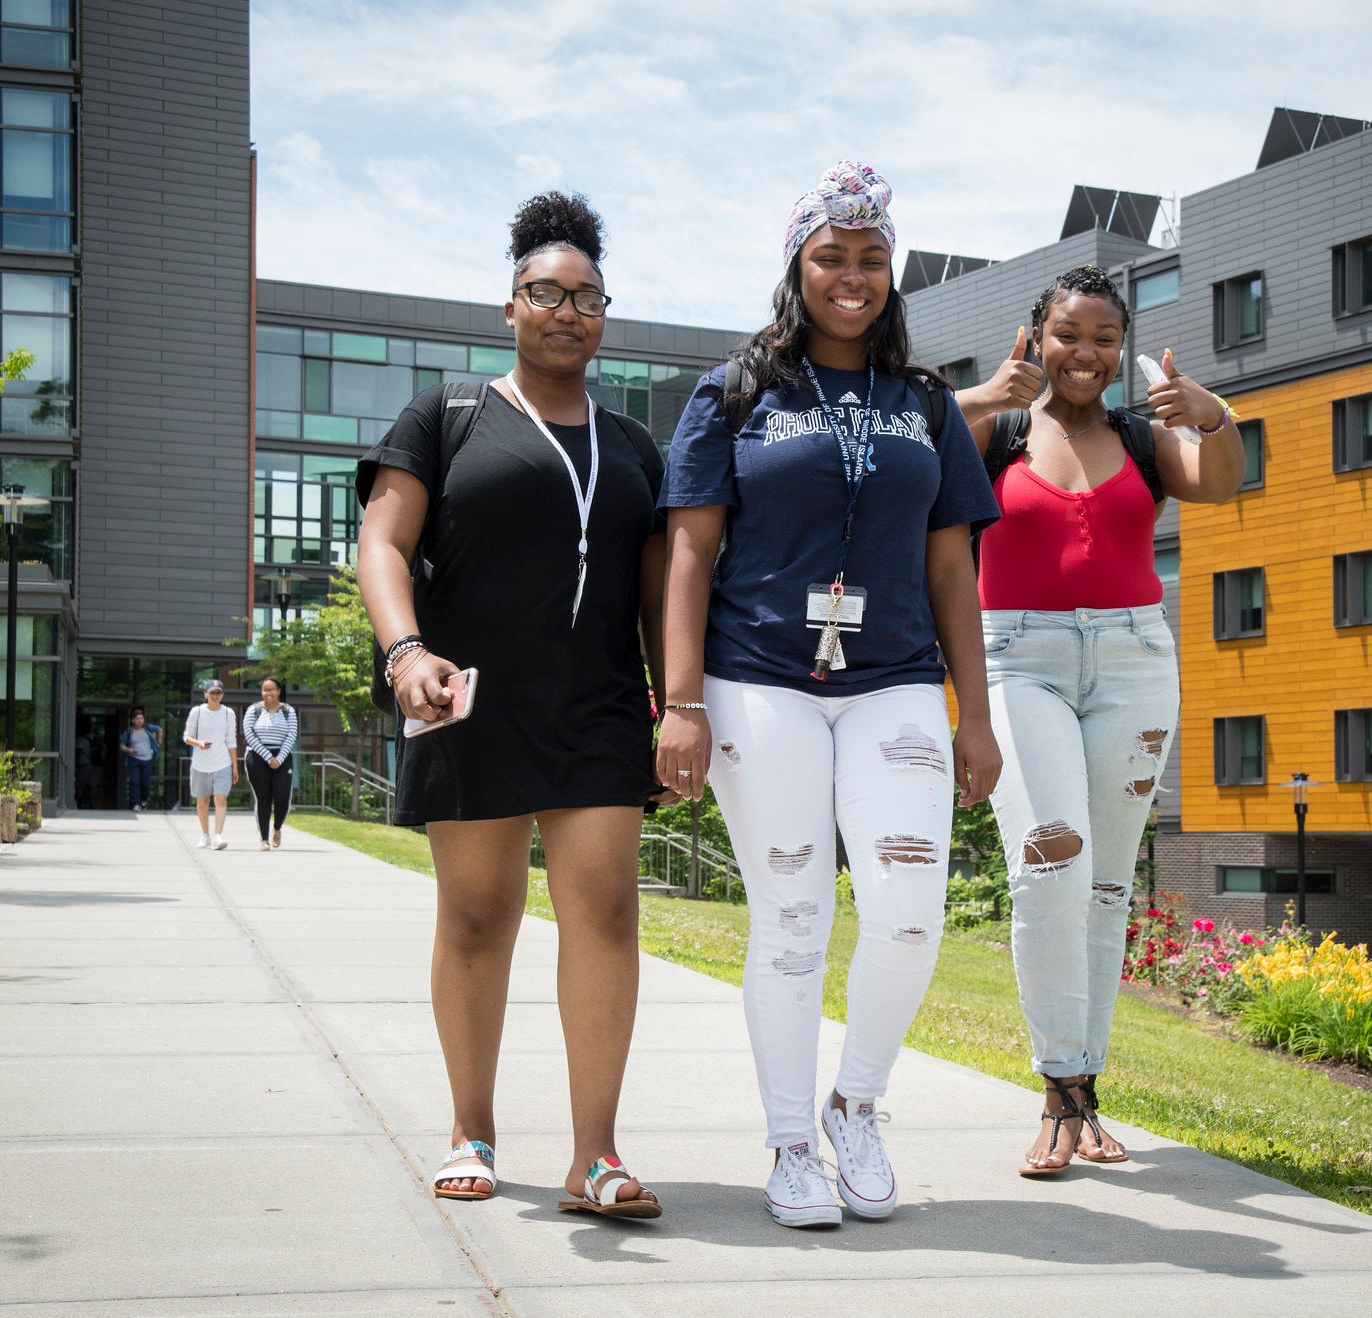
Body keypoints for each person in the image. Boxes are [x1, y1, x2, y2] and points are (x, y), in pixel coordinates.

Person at [655, 161, 1002, 1229]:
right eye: (829, 258)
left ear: (890, 274)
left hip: (895, 681)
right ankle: (789, 1142)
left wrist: (974, 716)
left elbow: (952, 569)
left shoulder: (927, 403)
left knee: (905, 913)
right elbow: (686, 553)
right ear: (795, 267)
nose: (851, 278)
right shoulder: (733, 393)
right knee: (794, 917)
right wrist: (677, 702)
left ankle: (856, 1105)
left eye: (870, 260)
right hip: (758, 678)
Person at [356, 191, 666, 1220]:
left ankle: (594, 1156)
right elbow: (383, 544)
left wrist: (681, 703)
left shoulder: (631, 444)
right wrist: (404, 650)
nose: (564, 310)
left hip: (600, 706)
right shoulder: (448, 415)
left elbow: (663, 588)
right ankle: (470, 1129)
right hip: (466, 697)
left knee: (606, 913)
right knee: (480, 915)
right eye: (544, 291)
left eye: (584, 296)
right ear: (509, 306)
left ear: (603, 313)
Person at [953, 265, 1242, 1177]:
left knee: (1109, 884)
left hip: (1133, 660)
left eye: (1103, 338)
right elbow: (927, 466)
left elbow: (1219, 482)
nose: (1085, 352)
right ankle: (1058, 1091)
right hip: (1016, 658)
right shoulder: (997, 430)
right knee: (1052, 862)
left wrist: (1213, 411)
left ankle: (1085, 1099)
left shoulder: (1144, 437)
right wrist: (987, 395)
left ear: (1123, 348)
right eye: (1068, 333)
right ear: (1037, 334)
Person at [243, 677, 299, 850]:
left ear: (279, 691)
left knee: (282, 798)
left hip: (282, 756)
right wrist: (268, 757)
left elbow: (292, 735)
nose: (268, 693)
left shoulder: (288, 711)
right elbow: (249, 734)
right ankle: (264, 839)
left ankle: (277, 828)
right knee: (263, 798)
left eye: (272, 689)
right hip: (258, 757)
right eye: (265, 690)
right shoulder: (254, 710)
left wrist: (279, 759)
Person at [183, 682, 238, 849]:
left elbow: (231, 740)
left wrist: (234, 765)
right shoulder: (197, 712)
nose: (215, 696)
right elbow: (186, 736)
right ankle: (205, 835)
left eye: (218, 693)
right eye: (212, 692)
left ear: (222, 695)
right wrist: (198, 743)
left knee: (221, 798)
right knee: (202, 802)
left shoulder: (229, 713)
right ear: (205, 693)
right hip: (200, 764)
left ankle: (218, 835)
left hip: (222, 763)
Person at [119, 707, 161, 812]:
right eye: (137, 719)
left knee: (145, 782)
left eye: (141, 718)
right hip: (134, 759)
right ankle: (136, 804)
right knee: (134, 782)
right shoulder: (129, 732)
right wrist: (129, 750)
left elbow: (159, 729)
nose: (139, 721)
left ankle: (144, 801)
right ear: (132, 720)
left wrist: (158, 742)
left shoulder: (147, 728)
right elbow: (121, 745)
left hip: (147, 760)